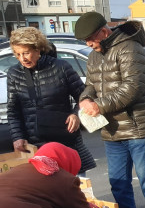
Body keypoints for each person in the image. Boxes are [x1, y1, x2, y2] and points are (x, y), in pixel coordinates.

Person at [74, 11, 145, 208]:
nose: (89, 45)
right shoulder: (94, 56)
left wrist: (100, 105)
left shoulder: (131, 49)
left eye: (91, 39)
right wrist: (85, 98)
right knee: (118, 182)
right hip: (111, 129)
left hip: (138, 127)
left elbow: (132, 88)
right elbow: (90, 84)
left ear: (105, 32)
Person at [6, 28, 95, 172]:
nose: (23, 59)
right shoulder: (14, 74)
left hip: (65, 141)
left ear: (38, 49)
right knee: (45, 192)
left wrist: (76, 114)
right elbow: (13, 110)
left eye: (26, 53)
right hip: (35, 145)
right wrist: (17, 137)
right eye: (17, 54)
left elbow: (85, 96)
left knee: (75, 188)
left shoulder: (61, 68)